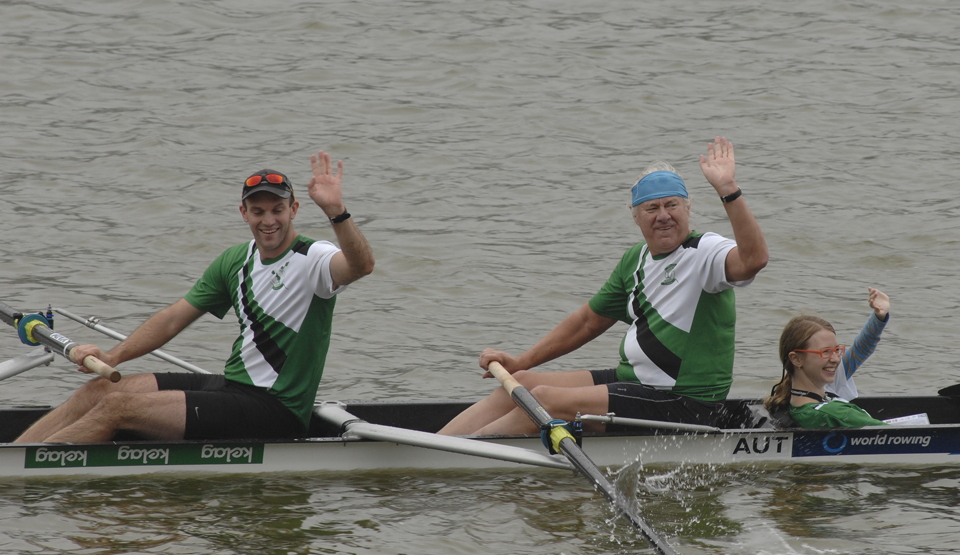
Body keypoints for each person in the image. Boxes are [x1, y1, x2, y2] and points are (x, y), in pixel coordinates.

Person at [16, 152, 374, 444]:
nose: (269, 221)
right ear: (244, 213)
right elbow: (174, 318)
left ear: (293, 210)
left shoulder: (314, 258)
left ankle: (32, 469)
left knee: (117, 408)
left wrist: (335, 211)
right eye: (259, 211)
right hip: (233, 387)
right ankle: (17, 454)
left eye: (277, 210)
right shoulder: (236, 260)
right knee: (97, 392)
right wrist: (113, 355)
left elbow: (361, 266)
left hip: (275, 408)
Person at [438, 136, 769, 436]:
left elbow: (754, 259)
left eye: (672, 205)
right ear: (635, 215)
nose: (663, 215)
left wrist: (728, 189)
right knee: (521, 384)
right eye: (651, 208)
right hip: (635, 382)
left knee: (543, 401)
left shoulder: (705, 253)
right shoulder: (634, 260)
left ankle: (458, 458)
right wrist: (520, 361)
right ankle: (435, 445)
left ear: (688, 208)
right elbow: (587, 321)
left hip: (683, 402)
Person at [763, 288, 891, 429]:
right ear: (796, 359)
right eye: (825, 352)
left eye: (837, 350)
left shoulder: (804, 391)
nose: (836, 359)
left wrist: (879, 318)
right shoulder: (838, 414)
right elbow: (894, 435)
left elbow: (860, 350)